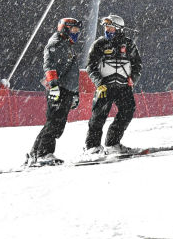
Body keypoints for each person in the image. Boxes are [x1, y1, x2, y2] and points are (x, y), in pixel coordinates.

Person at [25, 17, 81, 166]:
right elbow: (49, 66)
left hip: (67, 89)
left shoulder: (67, 44)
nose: (76, 33)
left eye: (77, 30)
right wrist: (54, 86)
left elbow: (72, 73)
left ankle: (35, 152)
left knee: (56, 122)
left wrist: (75, 93)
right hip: (59, 88)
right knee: (54, 122)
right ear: (64, 28)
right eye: (73, 30)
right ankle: (44, 153)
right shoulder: (55, 44)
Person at [84, 14, 142, 157]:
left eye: (110, 27)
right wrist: (99, 83)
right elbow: (91, 67)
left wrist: (133, 78)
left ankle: (112, 143)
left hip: (123, 87)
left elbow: (137, 65)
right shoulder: (99, 44)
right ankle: (92, 147)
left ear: (119, 28)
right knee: (98, 116)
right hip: (105, 87)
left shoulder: (128, 44)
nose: (107, 30)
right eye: (105, 27)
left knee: (127, 112)